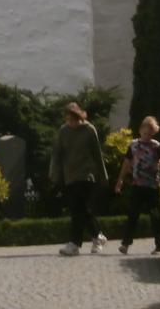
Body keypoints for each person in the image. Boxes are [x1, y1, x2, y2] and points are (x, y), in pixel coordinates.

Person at [48, 101, 107, 256]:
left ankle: (75, 243)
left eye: (73, 119)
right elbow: (57, 153)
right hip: (70, 175)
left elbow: (97, 154)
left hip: (86, 175)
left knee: (76, 208)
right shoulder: (63, 131)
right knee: (81, 208)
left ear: (79, 117)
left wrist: (103, 175)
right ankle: (97, 235)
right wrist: (54, 172)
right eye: (67, 120)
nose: (71, 123)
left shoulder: (89, 130)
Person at [114, 115, 160, 254]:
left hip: (152, 186)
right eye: (145, 132)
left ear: (153, 133)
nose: (147, 136)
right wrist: (120, 180)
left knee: (155, 215)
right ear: (140, 130)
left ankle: (159, 244)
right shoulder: (133, 146)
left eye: (150, 133)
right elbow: (127, 163)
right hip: (137, 184)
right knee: (133, 214)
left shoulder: (156, 146)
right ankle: (126, 244)